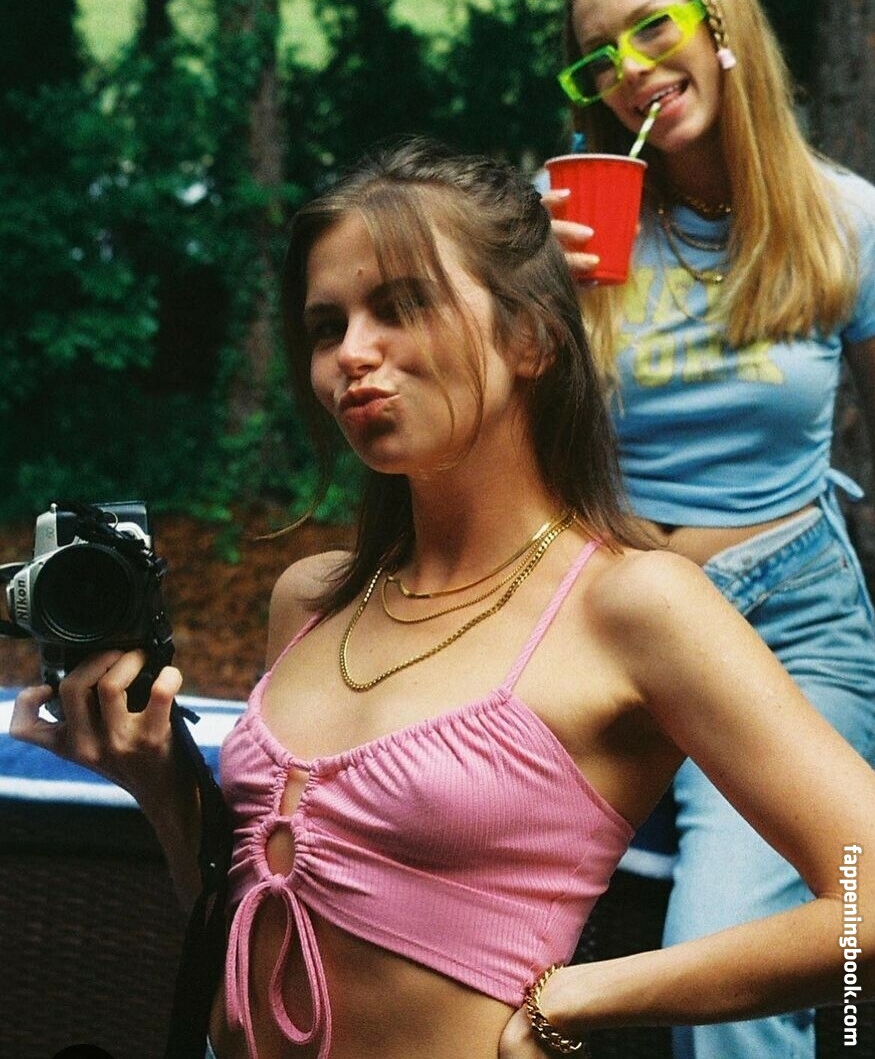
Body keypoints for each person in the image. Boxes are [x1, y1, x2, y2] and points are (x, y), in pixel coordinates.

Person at [10, 137, 875, 1059]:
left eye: (402, 306)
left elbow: (861, 894)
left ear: (531, 336)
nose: (352, 353)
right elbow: (242, 922)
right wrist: (158, 781)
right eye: (326, 327)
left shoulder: (633, 605)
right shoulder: (312, 600)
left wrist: (579, 999)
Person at [546, 0, 875, 1056]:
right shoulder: (566, 222)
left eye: (652, 28)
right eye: (600, 57)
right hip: (607, 625)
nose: (630, 68)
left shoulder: (844, 220)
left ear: (719, 22)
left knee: (728, 955)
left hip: (791, 624)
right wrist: (525, 304)